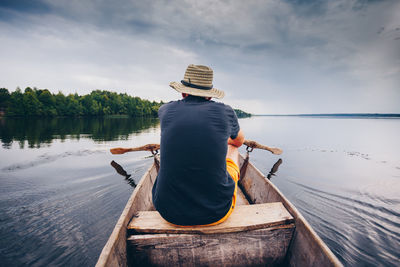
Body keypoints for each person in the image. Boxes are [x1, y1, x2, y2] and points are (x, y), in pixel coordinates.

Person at [152, 64, 245, 226]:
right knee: (233, 148)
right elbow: (239, 141)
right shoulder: (226, 112)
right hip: (216, 213)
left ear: (182, 91)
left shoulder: (164, 110)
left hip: (168, 212)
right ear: (209, 95)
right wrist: (223, 140)